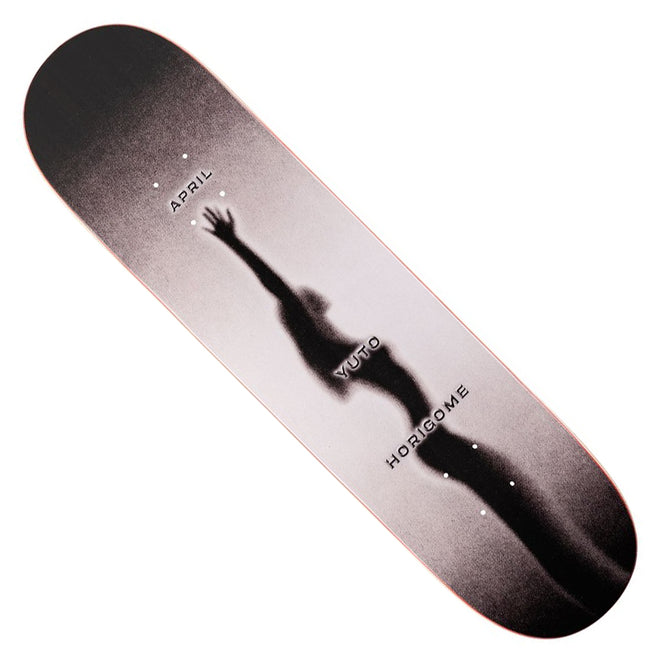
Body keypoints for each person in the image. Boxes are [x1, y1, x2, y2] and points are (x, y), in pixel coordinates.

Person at [203, 206, 633, 621]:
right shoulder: (324, 343)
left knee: (541, 529)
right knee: (540, 526)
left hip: (437, 439)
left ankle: (601, 591)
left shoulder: (333, 345)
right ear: (303, 315)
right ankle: (602, 593)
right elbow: (279, 288)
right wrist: (234, 242)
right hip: (435, 441)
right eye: (312, 304)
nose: (320, 305)